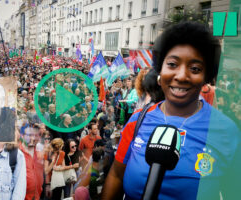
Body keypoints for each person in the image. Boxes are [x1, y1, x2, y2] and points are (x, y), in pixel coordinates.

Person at [102, 22, 241, 200]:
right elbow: (116, 175)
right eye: (173, 64)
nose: (181, 75)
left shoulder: (227, 132)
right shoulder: (138, 120)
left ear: (207, 76)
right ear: (161, 70)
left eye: (195, 68)